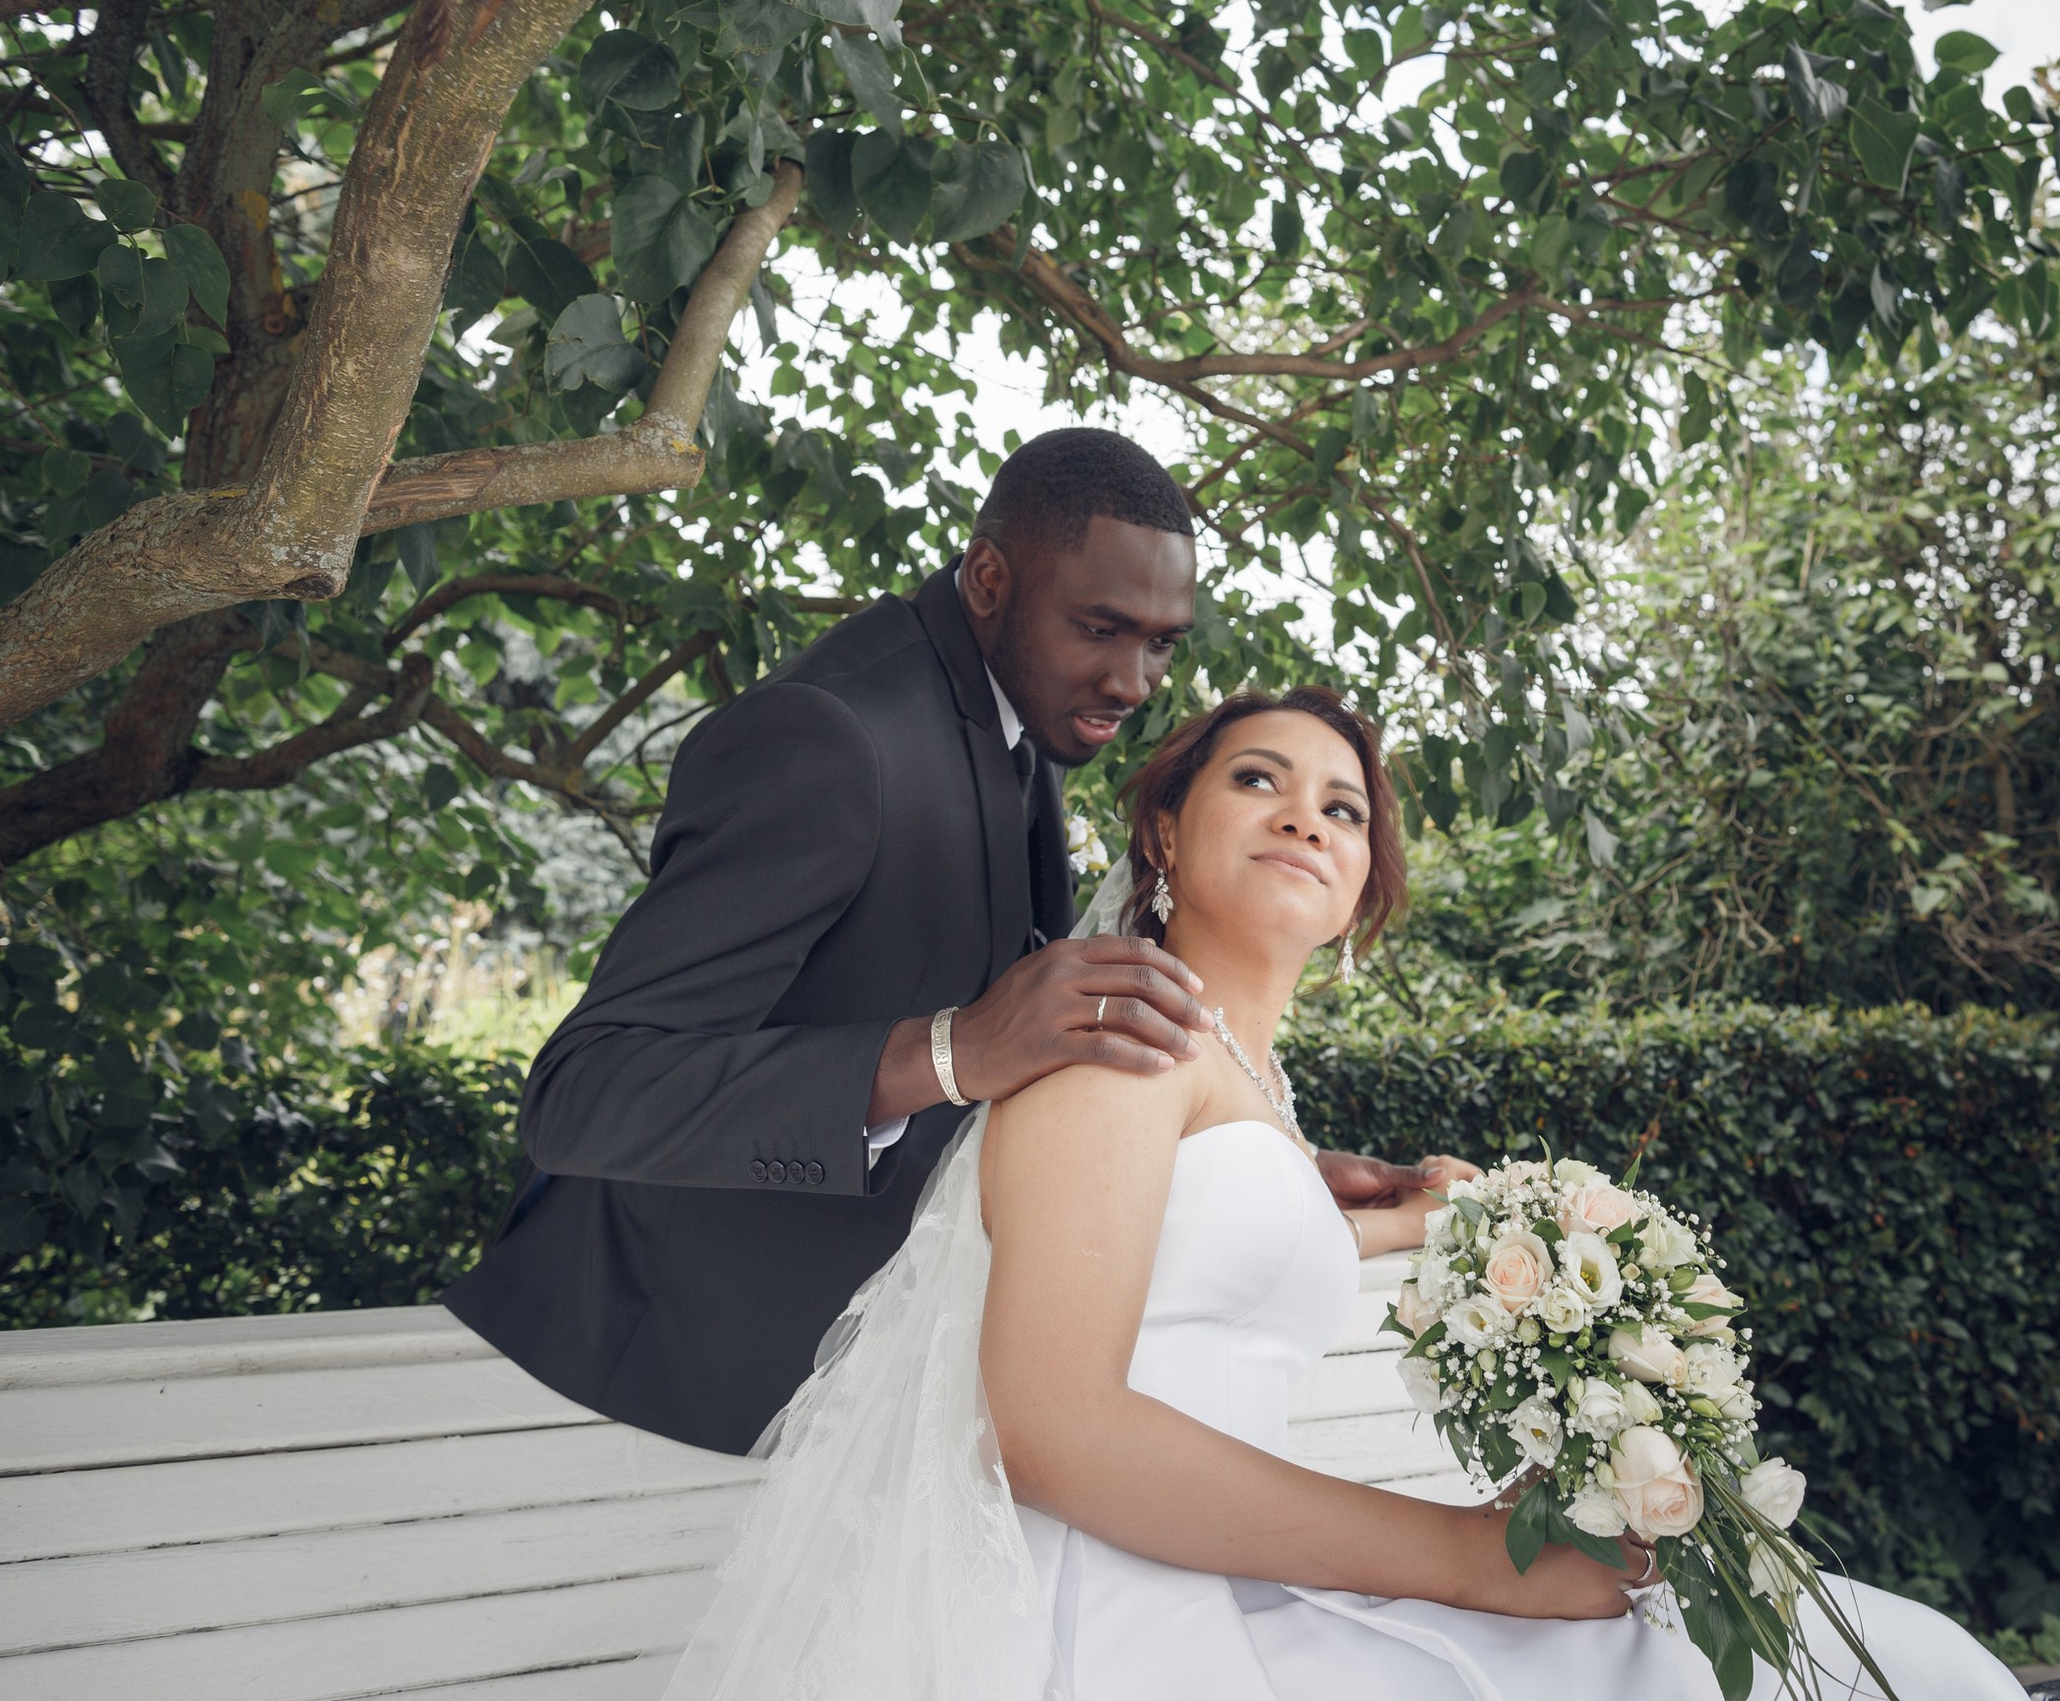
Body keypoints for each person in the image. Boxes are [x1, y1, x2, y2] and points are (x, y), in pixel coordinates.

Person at [661, 687, 2030, 1700]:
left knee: (1884, 1658)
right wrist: (1468, 1555)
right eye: (1257, 778)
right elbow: (1055, 1429)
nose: (1306, 815)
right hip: (1124, 1615)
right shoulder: (1122, 1037)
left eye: (1343, 805)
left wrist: (1443, 1216)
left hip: (1229, 1571)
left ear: (1366, 878)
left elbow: (1195, 1255)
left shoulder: (1237, 1073)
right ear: (1163, 825)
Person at [442, 429, 1454, 1457]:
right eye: (1102, 628)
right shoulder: (830, 736)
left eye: (1161, 641)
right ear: (988, 578)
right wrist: (947, 1049)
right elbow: (584, 1093)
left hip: (873, 1405)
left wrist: (1240, 1170)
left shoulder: (1019, 716)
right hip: (647, 1384)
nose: (1134, 680)